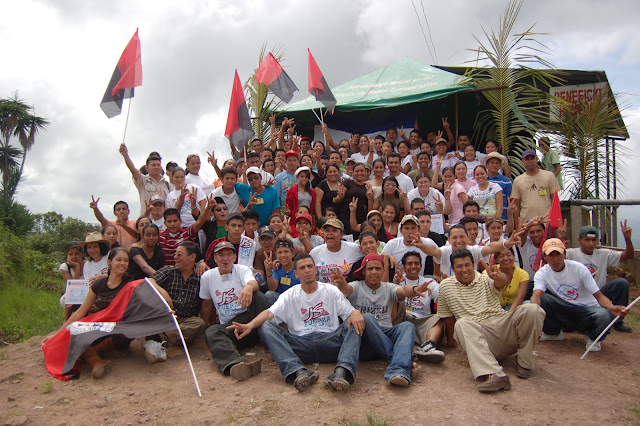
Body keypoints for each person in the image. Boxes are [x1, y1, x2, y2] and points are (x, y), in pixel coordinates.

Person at [227, 253, 368, 392]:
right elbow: (269, 313)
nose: (307, 270)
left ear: (315, 270)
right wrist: (250, 325)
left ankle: (342, 372)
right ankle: (298, 371)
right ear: (296, 273)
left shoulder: (331, 290)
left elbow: (349, 313)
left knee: (355, 322)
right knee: (266, 325)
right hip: (301, 345)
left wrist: (355, 312)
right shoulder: (289, 295)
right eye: (302, 268)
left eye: (309, 266)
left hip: (331, 341)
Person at [437, 248, 545, 392]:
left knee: (533, 310)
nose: (464, 270)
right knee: (462, 323)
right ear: (452, 268)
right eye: (459, 266)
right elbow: (448, 317)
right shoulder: (445, 286)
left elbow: (501, 283)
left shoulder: (485, 277)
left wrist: (497, 276)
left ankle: (524, 363)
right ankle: (495, 374)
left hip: (502, 326)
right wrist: (451, 342)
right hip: (479, 338)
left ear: (473, 264)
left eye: (467, 265)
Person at [335, 253, 430, 387]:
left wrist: (414, 289)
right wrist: (341, 283)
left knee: (407, 326)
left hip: (385, 333)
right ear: (363, 271)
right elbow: (346, 289)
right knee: (367, 318)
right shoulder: (356, 286)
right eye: (370, 269)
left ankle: (399, 372)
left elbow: (402, 291)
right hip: (363, 339)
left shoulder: (388, 287)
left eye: (378, 268)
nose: (374, 272)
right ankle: (401, 362)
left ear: (384, 270)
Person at [45, 248, 141, 378]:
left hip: (119, 329)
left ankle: (91, 353)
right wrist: (58, 333)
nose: (122, 263)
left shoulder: (130, 285)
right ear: (109, 262)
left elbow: (140, 307)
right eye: (118, 259)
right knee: (75, 330)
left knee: (126, 335)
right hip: (100, 327)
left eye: (126, 260)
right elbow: (80, 312)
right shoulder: (98, 285)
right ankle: (96, 361)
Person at [531, 239, 629, 352]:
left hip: (587, 309)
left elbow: (599, 296)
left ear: (565, 254)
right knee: (542, 300)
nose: (555, 259)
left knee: (605, 315)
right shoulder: (542, 273)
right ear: (545, 257)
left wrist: (612, 308)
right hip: (565, 308)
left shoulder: (579, 268)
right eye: (551, 255)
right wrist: (534, 313)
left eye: (558, 254)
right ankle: (553, 333)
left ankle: (594, 338)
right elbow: (536, 295)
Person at [200, 242, 270, 381]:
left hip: (251, 321)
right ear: (215, 258)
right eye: (221, 255)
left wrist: (249, 287)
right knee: (212, 332)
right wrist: (206, 325)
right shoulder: (207, 277)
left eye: (229, 254)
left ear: (234, 257)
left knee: (259, 297)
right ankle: (237, 363)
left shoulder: (242, 270)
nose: (225, 258)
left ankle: (271, 338)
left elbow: (253, 282)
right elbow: (207, 303)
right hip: (233, 328)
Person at [563, 224, 634, 332]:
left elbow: (628, 256)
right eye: (587, 240)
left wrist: (627, 239)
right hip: (578, 296)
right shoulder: (571, 253)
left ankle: (618, 321)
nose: (591, 243)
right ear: (579, 240)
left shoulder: (603, 254)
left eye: (594, 240)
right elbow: (556, 256)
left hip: (599, 294)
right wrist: (561, 238)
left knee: (622, 283)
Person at [146, 242, 206, 362]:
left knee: (199, 324)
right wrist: (163, 292)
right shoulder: (169, 271)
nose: (175, 257)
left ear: (192, 257)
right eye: (175, 254)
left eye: (179, 254)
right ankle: (163, 339)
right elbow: (149, 281)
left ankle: (158, 339)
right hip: (166, 316)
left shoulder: (201, 276)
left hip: (187, 321)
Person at [394, 251, 445, 363]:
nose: (413, 266)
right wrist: (395, 284)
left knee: (439, 319)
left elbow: (442, 297)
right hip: (402, 318)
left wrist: (446, 285)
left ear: (421, 266)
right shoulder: (398, 279)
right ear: (404, 266)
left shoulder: (428, 282)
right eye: (409, 263)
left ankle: (428, 346)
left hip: (421, 320)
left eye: (416, 263)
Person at [158, 196, 212, 267]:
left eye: (175, 221)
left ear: (180, 221)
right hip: (167, 272)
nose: (172, 224)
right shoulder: (159, 236)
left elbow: (199, 222)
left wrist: (208, 208)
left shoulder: (187, 233)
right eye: (169, 221)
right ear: (165, 223)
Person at [119, 144, 170, 217]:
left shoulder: (166, 184)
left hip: (163, 222)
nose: (156, 167)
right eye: (153, 165)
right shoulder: (142, 180)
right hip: (147, 221)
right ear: (147, 168)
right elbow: (132, 169)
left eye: (158, 165)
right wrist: (125, 155)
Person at [309, 219, 364, 283]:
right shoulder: (315, 252)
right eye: (327, 230)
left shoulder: (354, 248)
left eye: (334, 230)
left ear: (341, 234)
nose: (330, 233)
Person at [512, 149, 559, 222]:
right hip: (526, 222)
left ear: (537, 159)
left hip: (546, 221)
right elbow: (516, 206)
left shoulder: (549, 176)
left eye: (532, 158)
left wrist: (556, 221)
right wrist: (517, 225)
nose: (530, 161)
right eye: (527, 159)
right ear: (523, 162)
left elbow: (555, 200)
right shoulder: (517, 181)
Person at [487, 247, 529, 311]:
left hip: (514, 308)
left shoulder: (523, 274)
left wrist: (509, 314)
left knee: (529, 305)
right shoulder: (490, 272)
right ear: (497, 260)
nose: (506, 258)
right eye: (501, 256)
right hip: (494, 309)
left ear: (514, 257)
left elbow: (520, 297)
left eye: (509, 255)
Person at [336, 162, 369, 235]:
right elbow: (338, 199)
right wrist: (340, 197)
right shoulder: (348, 183)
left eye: (362, 171)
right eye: (357, 171)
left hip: (361, 218)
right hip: (346, 216)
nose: (359, 173)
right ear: (353, 172)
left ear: (366, 172)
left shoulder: (367, 186)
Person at [264, 238, 300, 304]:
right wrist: (269, 272)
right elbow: (273, 288)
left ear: (293, 253)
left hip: (298, 300)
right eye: (279, 252)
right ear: (276, 255)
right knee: (269, 295)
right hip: (283, 301)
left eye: (286, 251)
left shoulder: (299, 266)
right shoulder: (276, 267)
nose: (283, 255)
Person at [285, 166, 316, 232]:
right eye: (302, 176)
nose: (304, 179)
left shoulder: (312, 191)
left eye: (306, 177)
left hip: (308, 218)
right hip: (296, 218)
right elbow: (288, 206)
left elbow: (312, 209)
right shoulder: (292, 190)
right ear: (297, 177)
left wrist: (314, 224)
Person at [484, 152, 512, 220]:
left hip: (503, 218)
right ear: (487, 165)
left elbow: (510, 200)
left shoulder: (506, 181)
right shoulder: (482, 180)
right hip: (485, 218)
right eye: (492, 163)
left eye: (497, 163)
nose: (494, 165)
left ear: (500, 165)